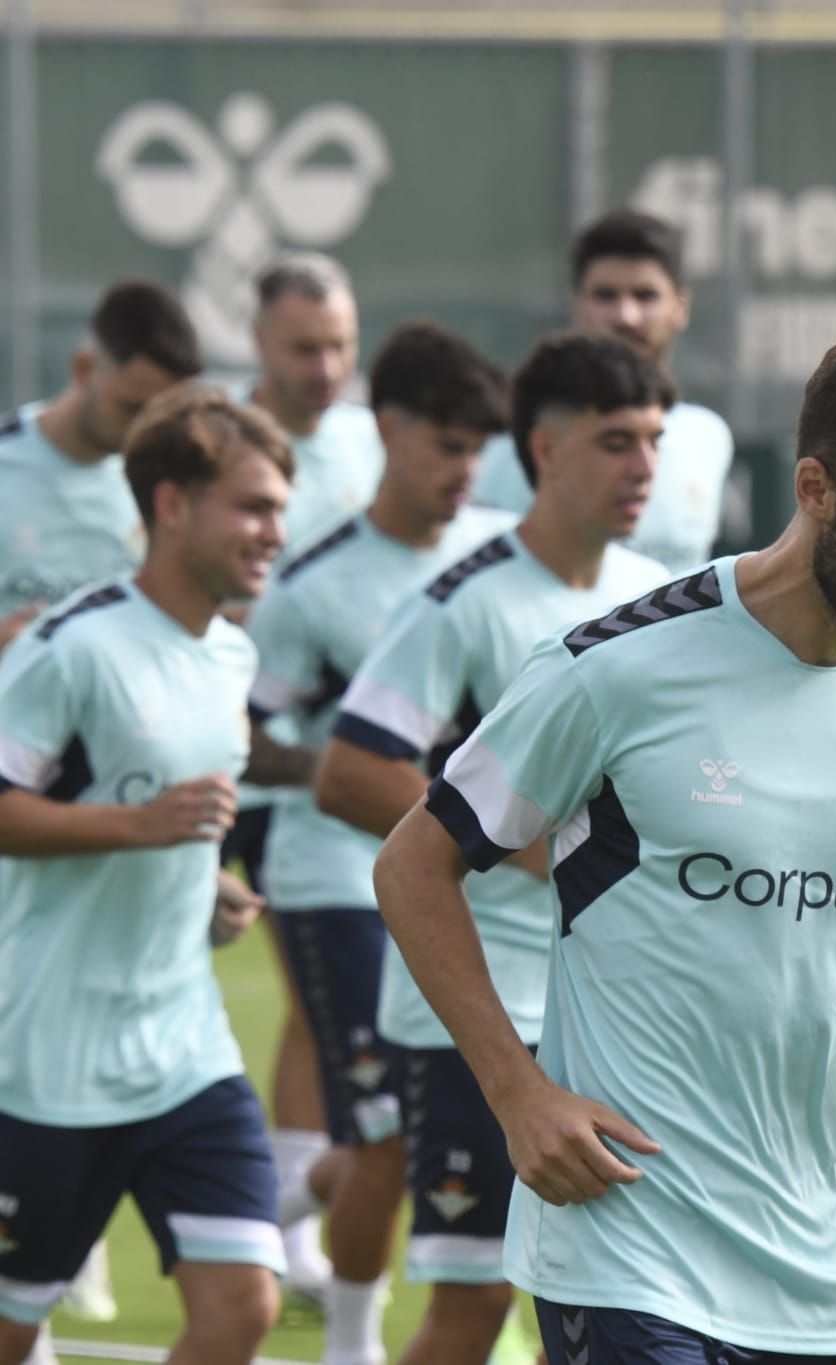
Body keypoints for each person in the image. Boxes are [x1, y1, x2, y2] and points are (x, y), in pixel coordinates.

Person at [375, 333, 836, 1365]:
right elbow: (414, 864)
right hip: (624, 1239)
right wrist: (518, 1090)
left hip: (822, 1276)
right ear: (815, 487)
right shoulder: (618, 667)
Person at [314, 329, 671, 1365]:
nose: (643, 465)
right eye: (615, 440)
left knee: (625, 1296)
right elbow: (349, 771)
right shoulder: (464, 602)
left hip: (612, 1013)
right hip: (475, 1015)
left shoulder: (660, 594)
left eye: (651, 438)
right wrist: (537, 846)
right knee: (471, 1310)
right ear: (544, 450)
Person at [0, 385, 298, 1365]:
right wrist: (137, 826)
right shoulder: (71, 647)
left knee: (243, 1307)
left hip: (183, 1050)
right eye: (252, 506)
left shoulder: (231, 657)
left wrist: (203, 888)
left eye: (280, 509)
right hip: (46, 1060)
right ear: (172, 505)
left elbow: (171, 834)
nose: (273, 532)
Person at [243, 321, 513, 1365]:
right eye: (443, 444)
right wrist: (343, 773)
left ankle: (268, 1198)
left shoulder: (498, 554)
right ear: (385, 429)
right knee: (381, 1138)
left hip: (472, 889)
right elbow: (245, 732)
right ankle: (351, 1338)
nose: (462, 470)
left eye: (474, 450)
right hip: (335, 880)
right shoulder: (311, 587)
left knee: (404, 1135)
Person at [238, 251, 389, 1296]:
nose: (326, 366)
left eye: (340, 343)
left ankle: (281, 1220)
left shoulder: (366, 445)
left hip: (303, 783)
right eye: (304, 347)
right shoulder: (214, 443)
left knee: (309, 1001)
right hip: (212, 761)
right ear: (258, 341)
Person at [473, 208, 734, 572]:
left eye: (645, 296)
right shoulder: (505, 451)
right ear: (577, 306)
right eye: (606, 296)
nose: (625, 316)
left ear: (680, 307)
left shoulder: (709, 438)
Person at [0, 279, 201, 658]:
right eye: (132, 407)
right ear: (83, 368)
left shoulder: (168, 489)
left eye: (164, 414)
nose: (147, 428)